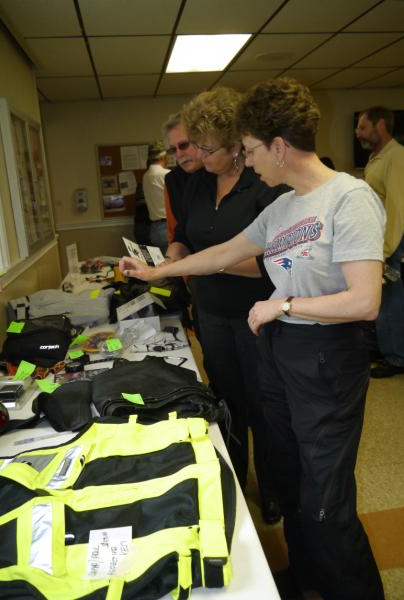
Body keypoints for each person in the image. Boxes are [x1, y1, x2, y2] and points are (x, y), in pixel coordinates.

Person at [120, 77, 386, 600]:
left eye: (251, 149)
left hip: (327, 357)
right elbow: (222, 254)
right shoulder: (283, 208)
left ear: (279, 147)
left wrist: (283, 305)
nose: (248, 159)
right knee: (289, 479)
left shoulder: (348, 198)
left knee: (325, 496)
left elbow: (364, 301)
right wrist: (157, 273)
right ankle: (307, 581)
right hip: (279, 350)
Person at [139, 87, 289, 525]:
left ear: (236, 145)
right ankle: (236, 481)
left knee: (263, 405)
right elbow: (185, 235)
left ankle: (273, 488)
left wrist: (207, 263)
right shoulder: (198, 183)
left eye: (208, 149)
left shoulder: (263, 185)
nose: (200, 157)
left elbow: (269, 263)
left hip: (256, 315)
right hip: (212, 313)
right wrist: (173, 258)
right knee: (226, 400)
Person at [356, 106, 404, 378]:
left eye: (363, 127)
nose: (358, 133)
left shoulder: (398, 157)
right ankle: (383, 348)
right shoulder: (377, 157)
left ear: (380, 124)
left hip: (390, 236)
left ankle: (397, 358)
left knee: (391, 296)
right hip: (378, 236)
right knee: (380, 296)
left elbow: (397, 207)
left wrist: (384, 250)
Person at [162, 112, 204, 243]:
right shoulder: (172, 180)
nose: (179, 154)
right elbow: (173, 230)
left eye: (184, 145)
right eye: (172, 150)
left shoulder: (220, 172)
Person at [142, 141, 170, 253]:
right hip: (167, 227)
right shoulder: (166, 174)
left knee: (161, 261)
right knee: (173, 262)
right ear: (164, 156)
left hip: (154, 229)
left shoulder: (146, 176)